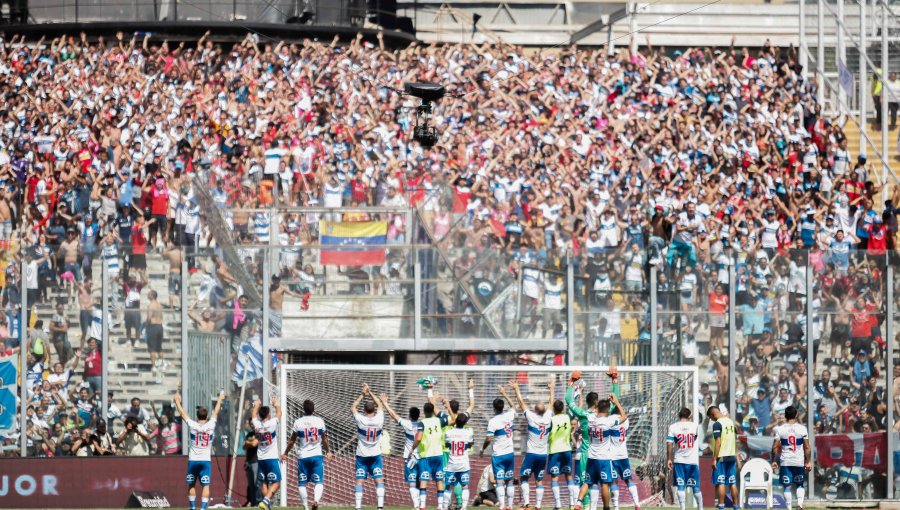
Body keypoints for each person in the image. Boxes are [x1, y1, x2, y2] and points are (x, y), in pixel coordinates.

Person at [565, 376, 611, 510]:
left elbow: (569, 400)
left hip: (586, 454)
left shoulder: (583, 414)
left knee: (587, 483)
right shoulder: (602, 415)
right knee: (603, 483)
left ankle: (583, 505)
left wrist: (571, 383)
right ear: (597, 402)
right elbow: (613, 404)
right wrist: (615, 383)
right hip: (602, 454)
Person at [173, 390, 225, 510]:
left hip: (193, 460)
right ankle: (202, 508)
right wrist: (220, 400)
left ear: (197, 417)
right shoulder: (211, 425)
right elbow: (216, 412)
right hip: (205, 460)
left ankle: (192, 508)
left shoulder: (193, 425)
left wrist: (177, 401)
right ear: (206, 416)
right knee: (206, 485)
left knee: (191, 484)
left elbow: (182, 414)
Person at [511, 377, 554, 510]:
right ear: (545, 410)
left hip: (531, 454)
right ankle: (538, 506)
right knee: (539, 480)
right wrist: (552, 389)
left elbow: (521, 402)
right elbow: (551, 403)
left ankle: (527, 504)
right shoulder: (548, 417)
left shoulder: (531, 417)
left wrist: (517, 388)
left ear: (535, 411)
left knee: (524, 478)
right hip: (543, 455)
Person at [283, 399, 333, 510]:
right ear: (313, 409)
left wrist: (285, 453)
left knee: (302, 483)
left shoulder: (298, 422)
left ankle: (305, 507)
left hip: (303, 457)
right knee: (319, 481)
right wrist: (328, 451)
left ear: (303, 409)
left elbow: (292, 441)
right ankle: (316, 500)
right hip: (317, 456)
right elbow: (324, 439)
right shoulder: (320, 421)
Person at [479, 383, 517, 510]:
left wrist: (483, 449)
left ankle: (502, 506)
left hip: (498, 455)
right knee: (510, 480)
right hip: (510, 454)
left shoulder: (493, 421)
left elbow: (489, 438)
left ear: (494, 408)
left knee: (500, 481)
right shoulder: (509, 415)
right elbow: (514, 406)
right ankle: (510, 506)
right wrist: (505, 393)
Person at [381, 393, 422, 508]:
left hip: (409, 457)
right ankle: (420, 504)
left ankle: (416, 505)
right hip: (422, 456)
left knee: (412, 482)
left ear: (409, 415)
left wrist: (385, 403)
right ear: (419, 416)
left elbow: (393, 415)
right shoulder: (422, 425)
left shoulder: (407, 424)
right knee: (421, 481)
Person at [351, 383, 386, 510]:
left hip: (362, 455)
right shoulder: (379, 419)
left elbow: (353, 407)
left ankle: (358, 507)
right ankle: (380, 507)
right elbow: (381, 405)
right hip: (376, 455)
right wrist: (370, 392)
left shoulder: (361, 419)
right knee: (379, 480)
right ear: (374, 410)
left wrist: (362, 395)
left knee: (360, 481)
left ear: (365, 411)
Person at [412, 393, 449, 510]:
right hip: (438, 454)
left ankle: (422, 505)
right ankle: (440, 506)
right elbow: (447, 419)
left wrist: (412, 449)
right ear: (433, 411)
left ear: (423, 411)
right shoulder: (439, 421)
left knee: (423, 479)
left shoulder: (422, 423)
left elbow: (418, 438)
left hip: (426, 455)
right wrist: (435, 400)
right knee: (439, 480)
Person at [771, 406, 810, 510]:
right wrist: (808, 462)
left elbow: (775, 446)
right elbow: (807, 446)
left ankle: (789, 508)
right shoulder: (802, 428)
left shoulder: (781, 429)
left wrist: (774, 460)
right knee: (799, 484)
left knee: (787, 486)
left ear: (785, 415)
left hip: (786, 462)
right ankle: (800, 505)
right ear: (796, 414)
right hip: (799, 461)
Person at [666, 408, 702, 510]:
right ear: (689, 416)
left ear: (679, 416)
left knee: (681, 485)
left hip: (679, 460)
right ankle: (701, 508)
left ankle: (682, 508)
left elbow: (669, 443)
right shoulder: (694, 426)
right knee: (696, 487)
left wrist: (669, 459)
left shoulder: (673, 427)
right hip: (692, 461)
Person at [547, 386, 577, 510]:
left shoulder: (551, 419)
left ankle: (558, 505)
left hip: (555, 451)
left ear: (554, 409)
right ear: (563, 408)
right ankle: (571, 504)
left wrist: (551, 390)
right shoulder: (567, 418)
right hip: (567, 450)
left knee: (555, 477)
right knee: (569, 475)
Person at [251, 397, 283, 510]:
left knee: (264, 482)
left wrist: (256, 405)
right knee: (277, 482)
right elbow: (279, 413)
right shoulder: (272, 423)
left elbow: (253, 414)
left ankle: (267, 507)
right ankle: (265, 502)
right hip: (272, 458)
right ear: (268, 414)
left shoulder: (256, 425)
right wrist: (276, 403)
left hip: (261, 458)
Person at [707, 405, 741, 510]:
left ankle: (721, 506)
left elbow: (718, 442)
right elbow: (735, 440)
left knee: (720, 482)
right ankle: (736, 506)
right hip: (731, 456)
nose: (711, 420)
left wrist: (714, 459)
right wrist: (737, 456)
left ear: (713, 414)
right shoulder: (730, 422)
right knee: (732, 482)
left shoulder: (717, 424)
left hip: (721, 457)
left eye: (710, 418)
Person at [444, 412, 475, 510]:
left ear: (456, 421)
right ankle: (463, 507)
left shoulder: (449, 432)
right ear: (465, 423)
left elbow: (447, 445)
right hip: (464, 463)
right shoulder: (468, 432)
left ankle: (445, 507)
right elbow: (470, 445)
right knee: (465, 485)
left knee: (448, 486)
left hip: (452, 463)